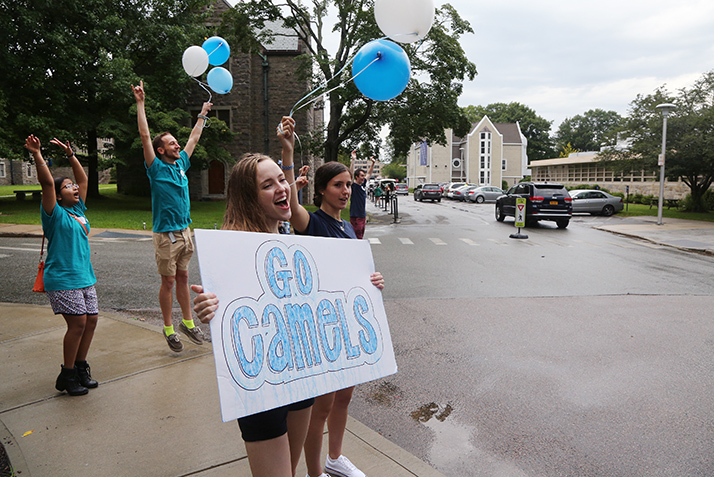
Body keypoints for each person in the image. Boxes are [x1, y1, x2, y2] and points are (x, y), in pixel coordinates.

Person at [191, 153, 314, 477]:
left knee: (290, 468)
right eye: (267, 184)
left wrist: (365, 284)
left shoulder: (292, 241)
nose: (282, 188)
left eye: (281, 180)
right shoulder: (231, 249)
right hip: (262, 387)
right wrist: (209, 308)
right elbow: (225, 307)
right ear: (248, 196)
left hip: (302, 376)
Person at [278, 116, 385, 477]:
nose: (345, 190)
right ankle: (315, 472)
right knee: (319, 407)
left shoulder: (348, 229)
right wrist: (288, 153)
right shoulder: (312, 223)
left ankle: (335, 459)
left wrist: (373, 281)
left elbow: (354, 275)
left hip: (348, 326)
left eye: (347, 185)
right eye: (337, 185)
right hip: (323, 328)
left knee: (344, 397)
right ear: (322, 189)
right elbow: (291, 205)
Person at [132, 80, 211, 352]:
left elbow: (194, 138)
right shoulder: (155, 168)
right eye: (171, 143)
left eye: (176, 142)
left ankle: (187, 323)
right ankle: (168, 328)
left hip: (185, 232)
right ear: (161, 149)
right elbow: (144, 136)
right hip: (166, 235)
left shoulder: (181, 165)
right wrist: (140, 103)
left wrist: (202, 113)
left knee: (183, 279)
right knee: (167, 281)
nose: (177, 145)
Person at [25, 135, 99, 396]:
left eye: (73, 186)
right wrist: (37, 154)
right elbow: (46, 182)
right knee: (77, 323)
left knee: (91, 321)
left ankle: (80, 367)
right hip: (62, 278)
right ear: (57, 195)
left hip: (85, 277)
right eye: (68, 187)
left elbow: (85, 180)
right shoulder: (53, 213)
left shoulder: (79, 211)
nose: (75, 188)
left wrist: (71, 155)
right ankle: (66, 375)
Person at [349, 151, 376, 239]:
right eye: (361, 176)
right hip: (356, 216)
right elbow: (350, 174)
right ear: (357, 177)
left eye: (363, 175)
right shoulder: (354, 186)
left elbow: (369, 174)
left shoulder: (363, 185)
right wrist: (353, 160)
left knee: (360, 235)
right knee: (357, 236)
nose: (364, 177)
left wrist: (373, 164)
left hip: (362, 215)